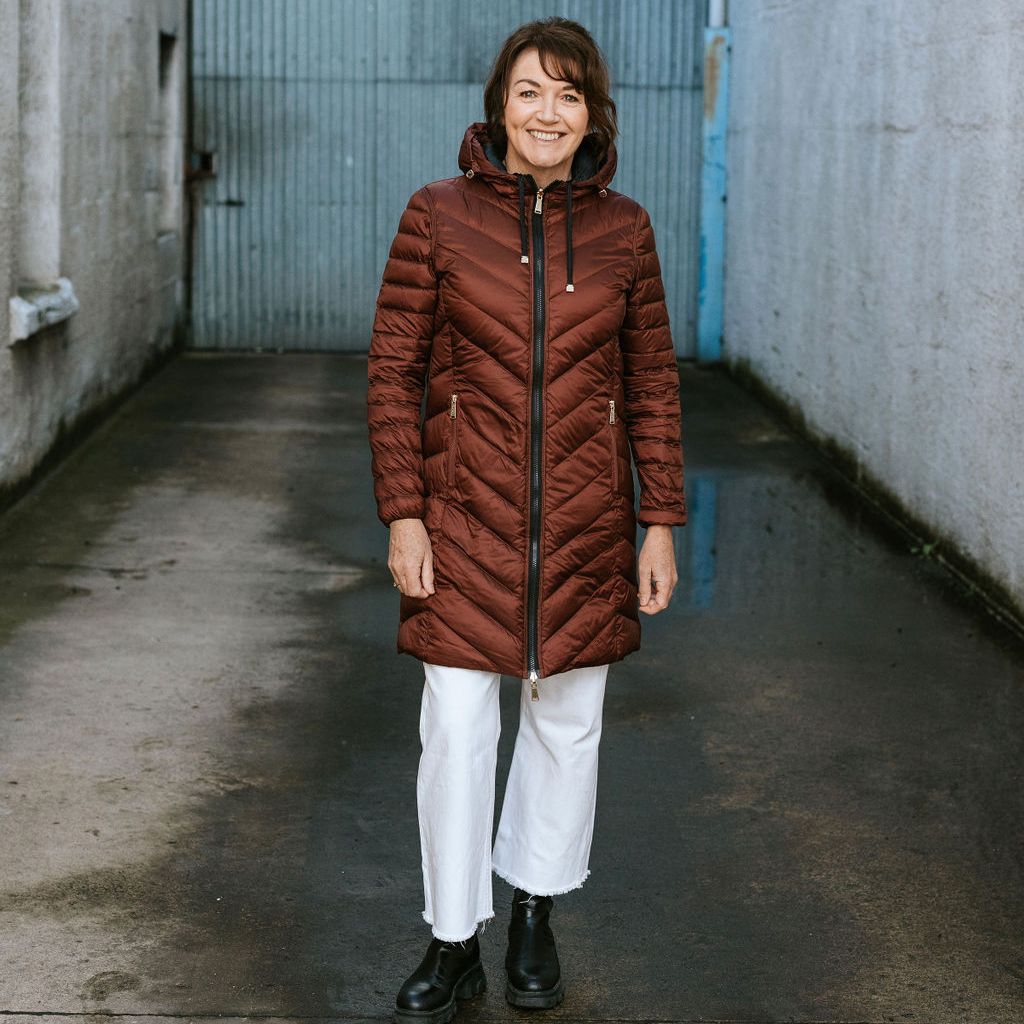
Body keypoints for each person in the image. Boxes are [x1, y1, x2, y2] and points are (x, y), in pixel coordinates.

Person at [366, 16, 687, 1021]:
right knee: (456, 727)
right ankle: (453, 936)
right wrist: (402, 513)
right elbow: (392, 374)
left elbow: (651, 385)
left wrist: (661, 517)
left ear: (592, 115)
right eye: (530, 92)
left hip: (588, 521)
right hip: (462, 516)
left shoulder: (625, 230)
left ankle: (534, 912)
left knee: (565, 723)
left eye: (569, 95)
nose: (548, 113)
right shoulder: (436, 216)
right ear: (497, 106)